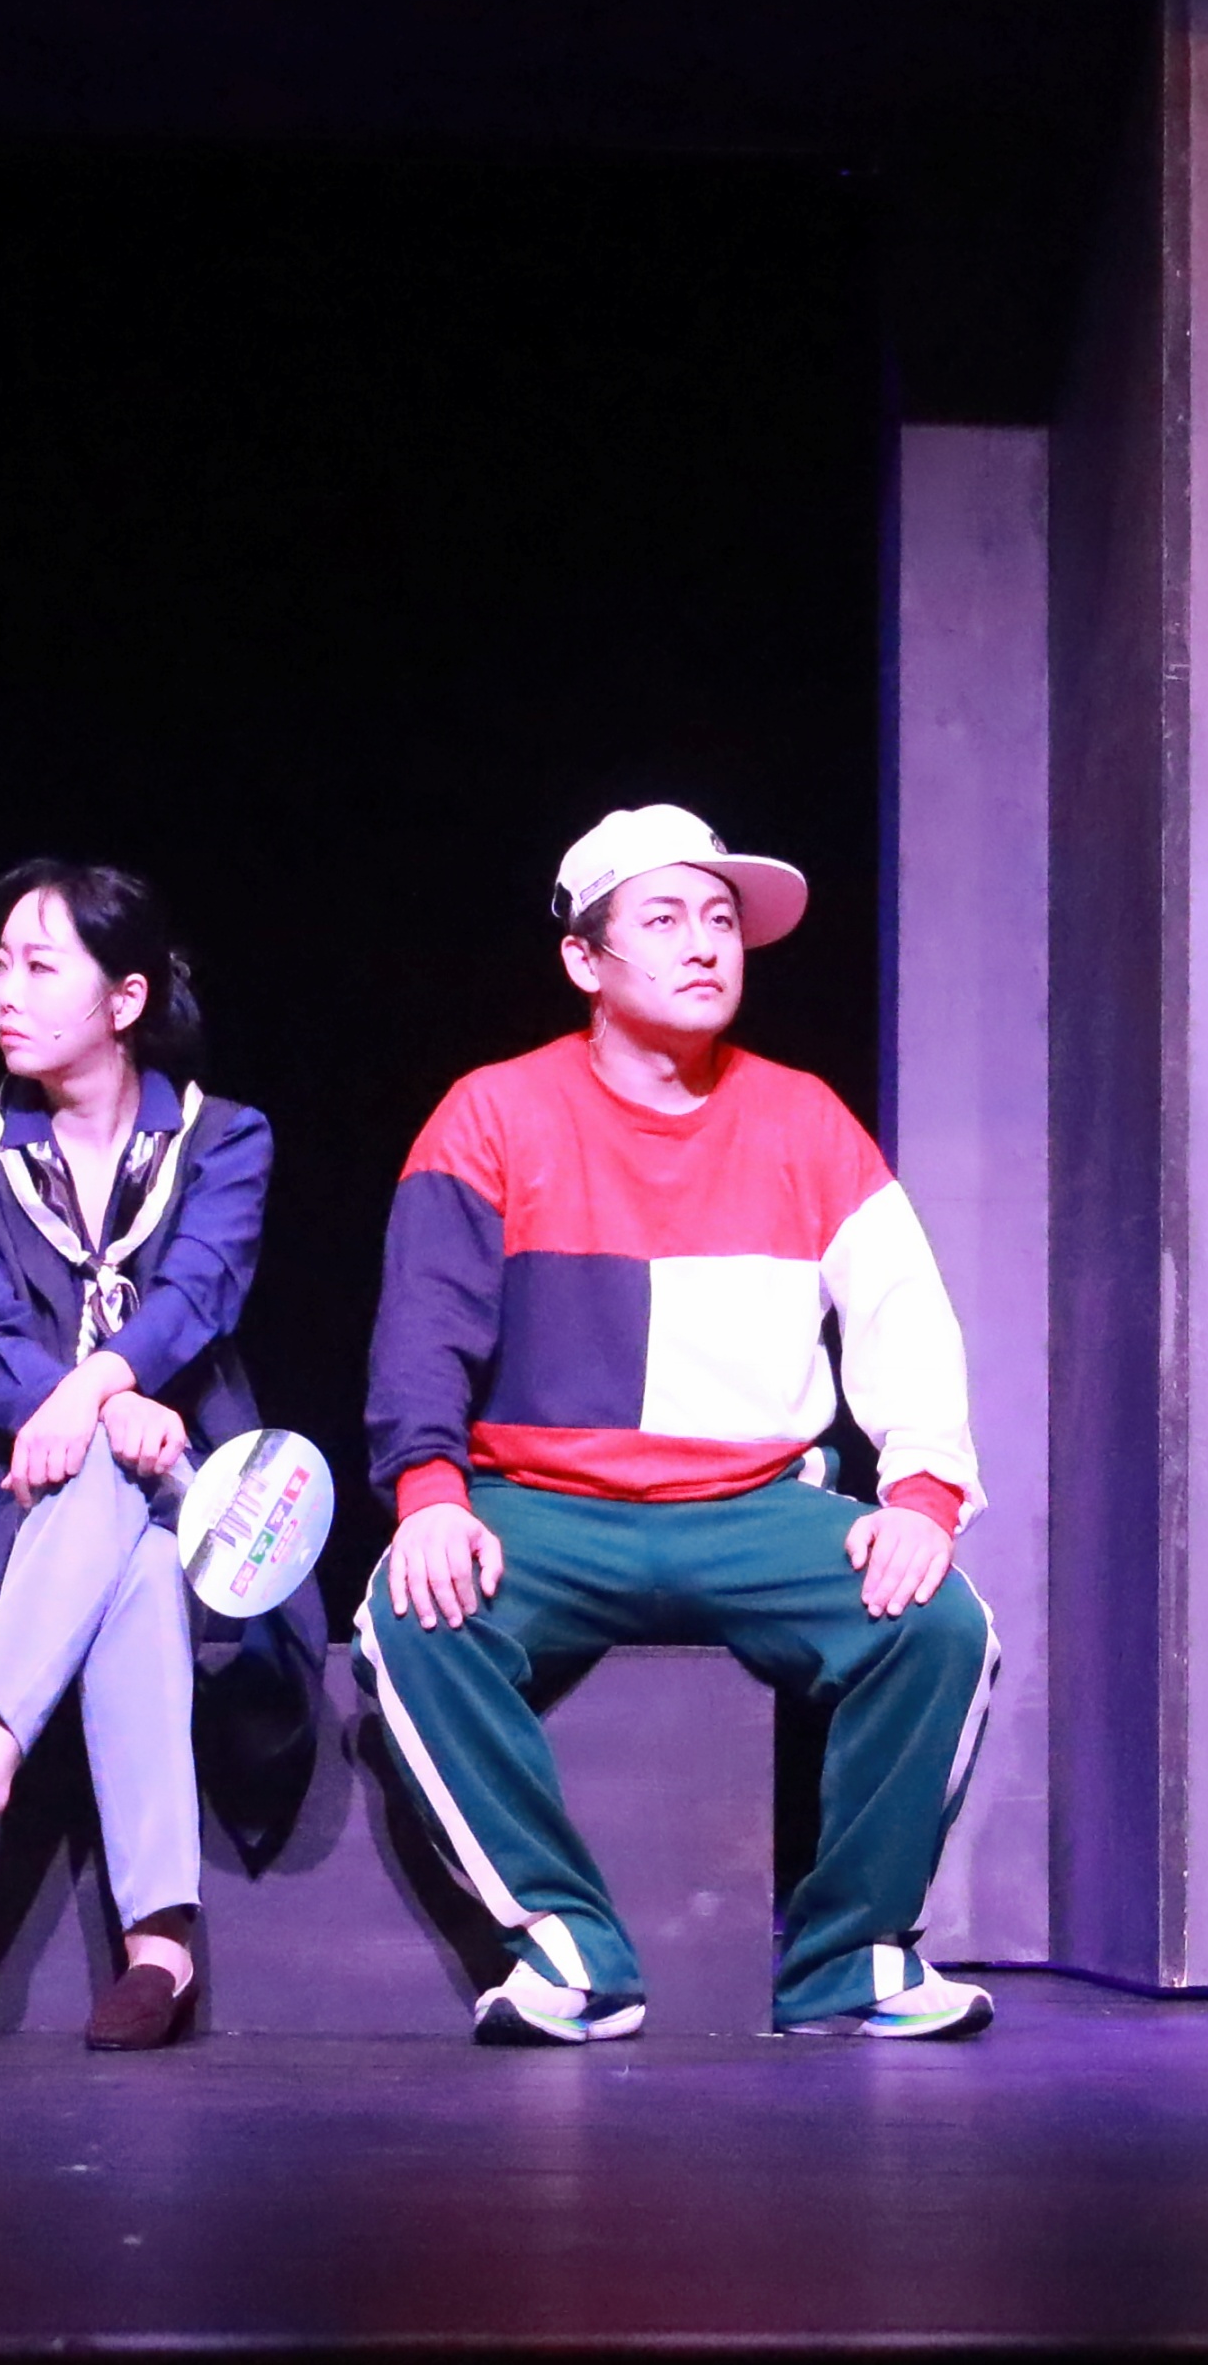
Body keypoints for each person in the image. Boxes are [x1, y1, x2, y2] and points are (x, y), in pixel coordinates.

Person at [353, 805, 1000, 2046]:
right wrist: (429, 1489)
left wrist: (922, 1492)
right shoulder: (490, 1111)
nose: (705, 944)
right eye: (664, 919)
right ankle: (568, 1947)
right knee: (407, 1616)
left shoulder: (804, 1117)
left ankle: (850, 1957)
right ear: (584, 960)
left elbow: (903, 1313)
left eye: (720, 921)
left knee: (940, 1625)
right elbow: (422, 1326)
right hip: (548, 1508)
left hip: (755, 1508)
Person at [0, 859, 310, 2052]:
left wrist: (99, 1387)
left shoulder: (226, 1137)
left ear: (124, 998)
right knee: (135, 1554)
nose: (4, 991)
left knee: (146, 1511)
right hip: (3, 1488)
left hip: (202, 1477)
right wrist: (96, 1415)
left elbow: (199, 1290)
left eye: (39, 964)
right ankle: (161, 1943)